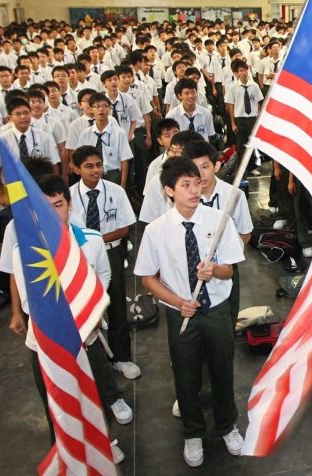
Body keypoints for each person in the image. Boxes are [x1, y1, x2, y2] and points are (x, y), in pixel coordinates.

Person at [4, 172, 128, 463]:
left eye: (58, 204)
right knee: (57, 402)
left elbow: (103, 279)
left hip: (88, 335)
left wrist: (94, 313)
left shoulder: (92, 241)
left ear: (69, 204)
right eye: (44, 207)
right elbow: (29, 302)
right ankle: (65, 450)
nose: (53, 213)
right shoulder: (25, 252)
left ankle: (105, 441)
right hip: (47, 344)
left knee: (93, 392)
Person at [134, 157, 246, 467]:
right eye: (186, 185)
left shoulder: (219, 220)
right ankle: (193, 433)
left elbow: (230, 271)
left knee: (223, 369)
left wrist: (214, 271)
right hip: (180, 312)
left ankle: (227, 425)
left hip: (217, 310)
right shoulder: (157, 231)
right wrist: (176, 301)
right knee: (185, 373)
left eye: (197, 183)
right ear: (169, 191)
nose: (195, 190)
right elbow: (147, 277)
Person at [69, 145, 140, 379]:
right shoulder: (68, 197)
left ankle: (121, 357)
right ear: (76, 168)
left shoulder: (116, 191)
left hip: (111, 253)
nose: (96, 170)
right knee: (86, 305)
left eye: (99, 165)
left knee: (116, 303)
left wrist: (96, 239)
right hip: (79, 256)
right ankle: (94, 359)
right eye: (89, 166)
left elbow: (124, 228)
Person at [181, 140, 252, 328]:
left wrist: (226, 260)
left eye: (205, 167)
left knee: (228, 316)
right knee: (193, 317)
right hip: (192, 266)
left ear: (217, 166)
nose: (200, 174)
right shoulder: (182, 199)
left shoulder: (234, 195)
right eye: (194, 168)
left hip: (226, 268)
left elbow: (245, 234)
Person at [68, 92, 132, 187]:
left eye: (105, 106)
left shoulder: (119, 133)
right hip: (91, 175)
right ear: (91, 110)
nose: (101, 109)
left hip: (112, 174)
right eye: (97, 106)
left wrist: (122, 185)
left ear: (109, 109)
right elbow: (79, 157)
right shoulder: (86, 133)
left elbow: (124, 160)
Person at [224, 59, 262, 168]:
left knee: (252, 143)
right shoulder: (233, 87)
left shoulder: (254, 85)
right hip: (239, 119)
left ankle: (253, 166)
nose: (244, 73)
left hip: (252, 118)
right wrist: (233, 123)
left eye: (245, 70)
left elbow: (259, 101)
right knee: (241, 145)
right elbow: (231, 105)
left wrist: (258, 116)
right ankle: (242, 168)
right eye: (241, 71)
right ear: (237, 73)